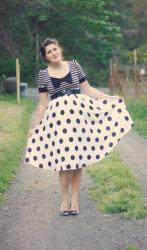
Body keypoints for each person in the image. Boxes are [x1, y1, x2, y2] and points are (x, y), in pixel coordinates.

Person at [24, 37, 133, 216]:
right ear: (46, 57)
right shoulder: (43, 75)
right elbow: (43, 103)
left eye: (55, 49)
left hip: (79, 119)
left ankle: (74, 200)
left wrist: (109, 98)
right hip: (59, 121)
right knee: (64, 162)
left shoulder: (74, 65)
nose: (53, 53)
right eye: (49, 52)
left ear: (60, 49)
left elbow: (88, 89)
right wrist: (37, 127)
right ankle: (64, 200)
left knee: (77, 160)